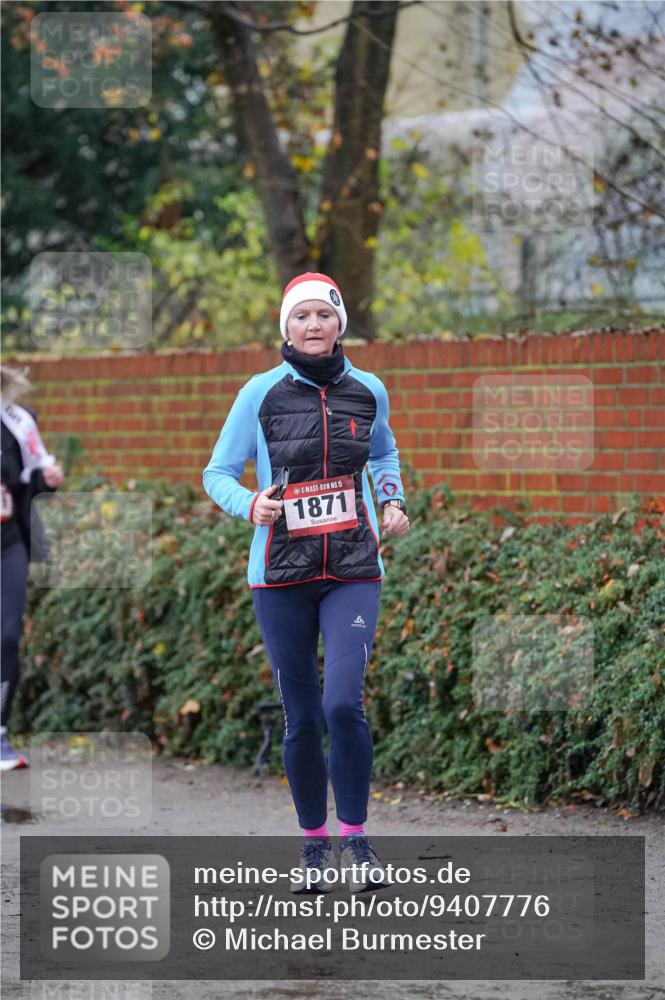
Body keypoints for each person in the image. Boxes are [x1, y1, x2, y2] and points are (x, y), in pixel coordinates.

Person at [203, 272, 410, 893]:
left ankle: (358, 840)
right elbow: (217, 472)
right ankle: (314, 847)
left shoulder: (368, 390)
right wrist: (250, 506)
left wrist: (393, 501)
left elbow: (383, 454)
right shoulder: (259, 393)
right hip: (281, 575)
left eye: (324, 315)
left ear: (340, 323)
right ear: (285, 327)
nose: (313, 325)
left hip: (353, 568)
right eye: (302, 317)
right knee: (301, 717)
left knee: (343, 703)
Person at [1, 364, 65, 770]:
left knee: (6, 636)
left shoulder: (17, 419)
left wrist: (48, 479)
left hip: (8, 542)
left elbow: (31, 480)